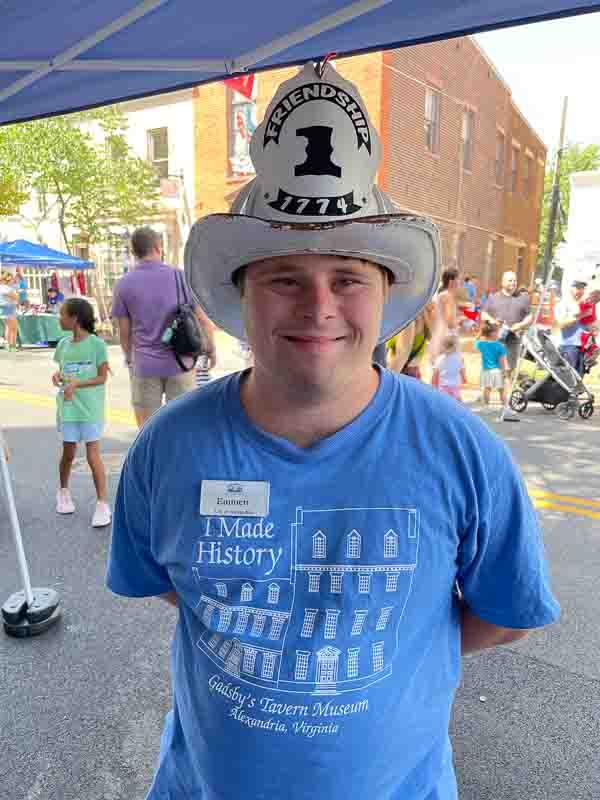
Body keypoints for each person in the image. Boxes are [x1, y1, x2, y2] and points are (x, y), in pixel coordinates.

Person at [107, 63, 559, 800]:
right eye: (284, 277)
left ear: (384, 294)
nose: (319, 307)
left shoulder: (462, 450)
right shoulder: (169, 445)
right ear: (240, 295)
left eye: (347, 277)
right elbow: (172, 586)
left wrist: (397, 640)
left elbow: (506, 619)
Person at [111, 226, 217, 428]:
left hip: (144, 366)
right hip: (181, 362)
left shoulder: (123, 284)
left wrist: (130, 359)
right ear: (159, 247)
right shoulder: (182, 277)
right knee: (183, 425)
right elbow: (202, 319)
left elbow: (124, 332)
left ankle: (153, 459)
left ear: (134, 252)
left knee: (147, 429)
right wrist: (210, 348)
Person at [52, 297, 111, 527]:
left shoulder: (97, 345)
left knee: (92, 454)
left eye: (62, 314)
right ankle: (63, 492)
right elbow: (62, 373)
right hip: (67, 408)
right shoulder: (63, 345)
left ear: (75, 318)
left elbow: (102, 377)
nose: (59, 318)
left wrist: (77, 384)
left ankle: (102, 504)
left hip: (91, 409)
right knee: (68, 453)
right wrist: (58, 378)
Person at [481, 270, 532, 376]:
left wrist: (520, 325)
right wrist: (493, 321)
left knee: (509, 369)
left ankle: (504, 389)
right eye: (510, 280)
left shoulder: (523, 298)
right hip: (496, 339)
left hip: (513, 339)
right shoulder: (493, 298)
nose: (513, 283)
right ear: (502, 282)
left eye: (515, 280)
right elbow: (483, 314)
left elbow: (529, 317)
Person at [554, 278, 600, 376]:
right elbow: (562, 324)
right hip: (569, 347)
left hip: (584, 348)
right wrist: (581, 315)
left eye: (582, 288)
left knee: (578, 379)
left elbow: (593, 322)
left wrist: (596, 327)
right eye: (578, 288)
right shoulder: (562, 305)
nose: (580, 291)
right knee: (567, 378)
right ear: (571, 289)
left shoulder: (588, 303)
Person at [429, 266, 459, 359]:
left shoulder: (441, 294)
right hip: (447, 336)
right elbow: (449, 320)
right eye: (458, 279)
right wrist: (459, 321)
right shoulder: (447, 296)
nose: (459, 283)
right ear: (451, 281)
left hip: (438, 333)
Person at [475, 321, 508, 405]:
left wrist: (481, 333)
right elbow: (502, 361)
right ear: (493, 333)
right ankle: (504, 406)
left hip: (485, 370)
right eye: (497, 332)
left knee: (487, 389)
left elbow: (475, 341)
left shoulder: (482, 344)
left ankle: (486, 405)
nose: (498, 334)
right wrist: (504, 372)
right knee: (502, 389)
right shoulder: (500, 346)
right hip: (497, 370)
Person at [431, 334, 467, 401]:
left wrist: (433, 385)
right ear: (456, 347)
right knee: (457, 401)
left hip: (443, 386)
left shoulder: (440, 358)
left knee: (444, 402)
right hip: (455, 385)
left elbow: (435, 374)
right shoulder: (459, 358)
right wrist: (464, 379)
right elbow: (462, 370)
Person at [0, 271, 19, 351]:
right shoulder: (5, 288)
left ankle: (11, 345)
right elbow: (16, 297)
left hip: (8, 308)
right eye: (11, 279)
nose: (13, 280)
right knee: (11, 328)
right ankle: (10, 346)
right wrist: (16, 293)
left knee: (11, 328)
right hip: (8, 308)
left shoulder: (5, 287)